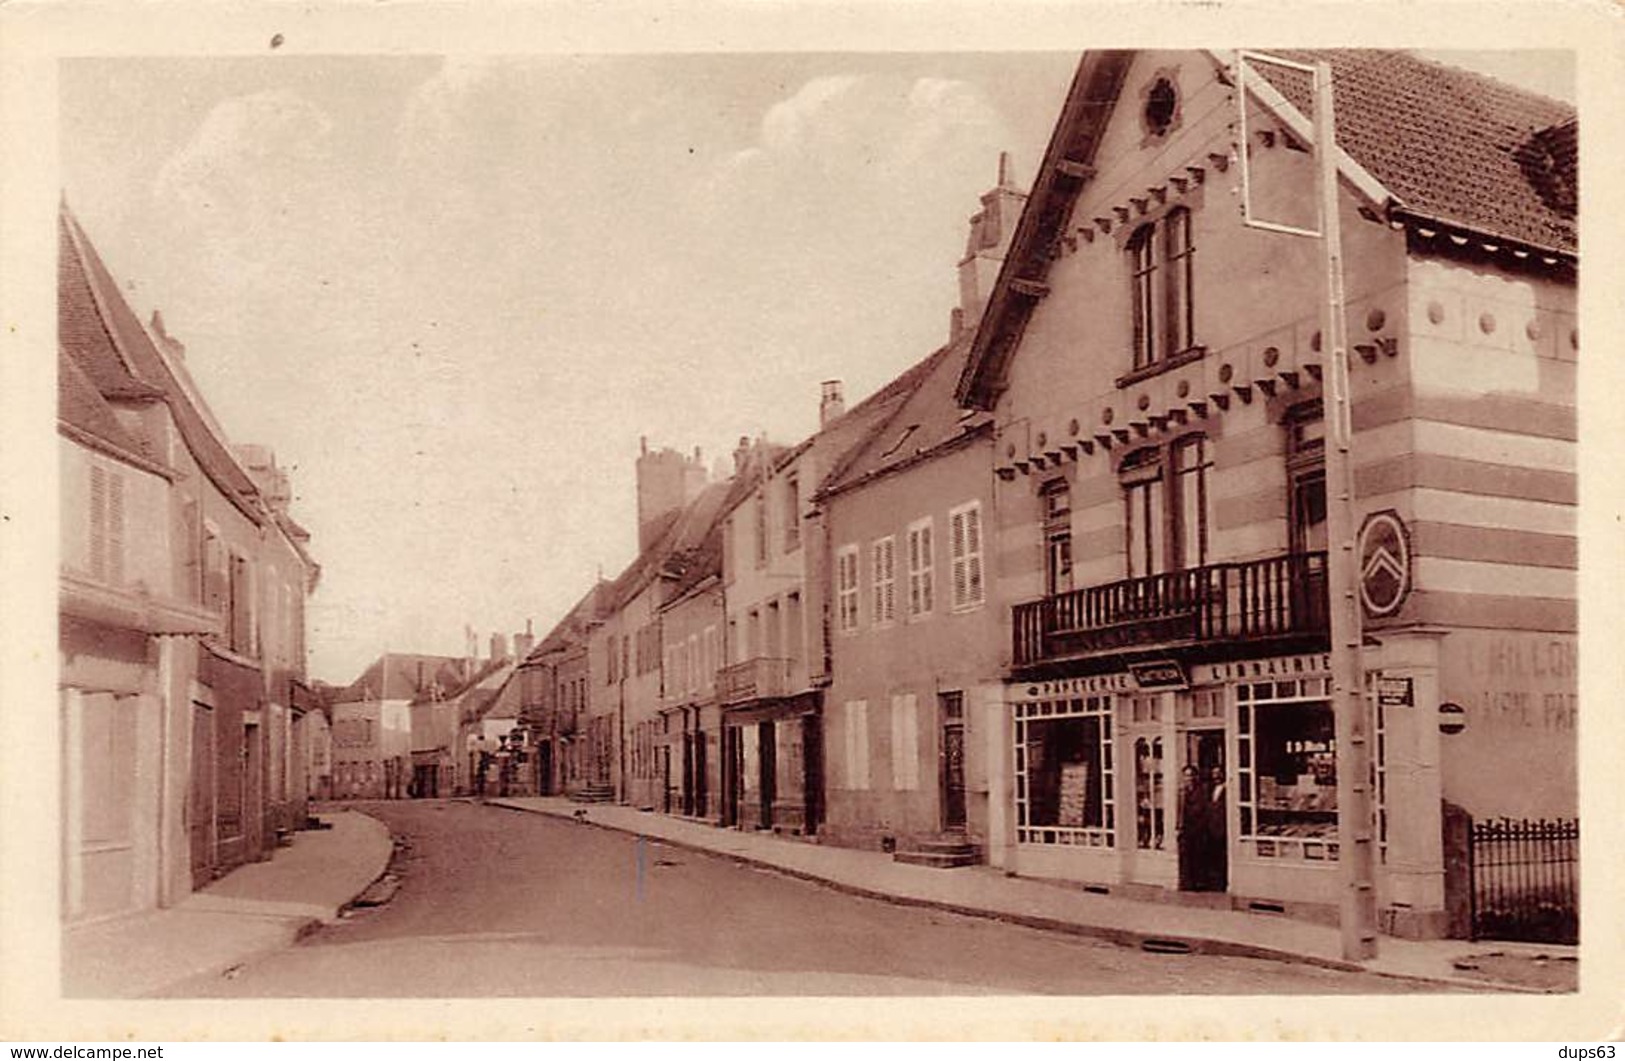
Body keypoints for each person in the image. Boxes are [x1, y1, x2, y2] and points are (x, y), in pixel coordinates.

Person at [1177, 765, 1206, 889]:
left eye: (1191, 775)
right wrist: (1178, 827)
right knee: (1184, 855)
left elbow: (1200, 809)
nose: (1188, 778)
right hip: (1184, 828)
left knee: (1197, 856)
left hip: (1197, 828)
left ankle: (1197, 882)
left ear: (1195, 777)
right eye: (1186, 776)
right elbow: (1179, 810)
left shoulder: (1201, 791)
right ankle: (1185, 882)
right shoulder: (1181, 792)